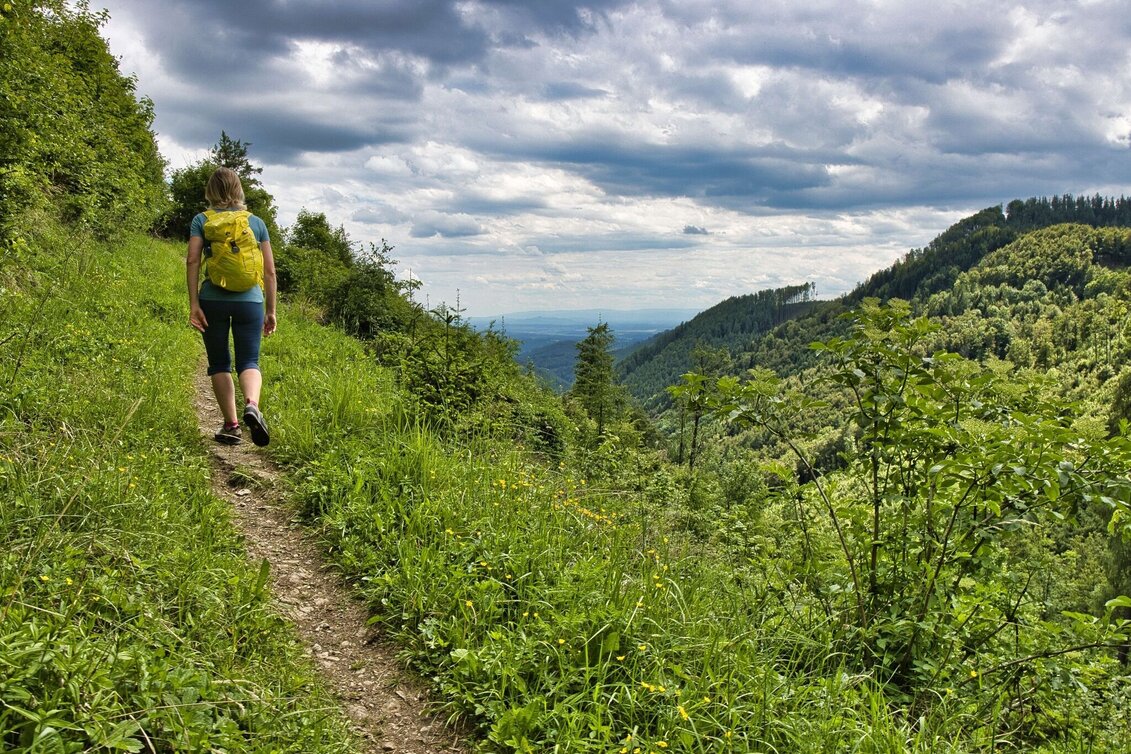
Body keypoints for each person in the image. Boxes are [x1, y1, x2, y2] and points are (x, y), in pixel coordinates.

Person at [186, 166, 277, 446]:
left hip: (212, 298)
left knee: (219, 363)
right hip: (250, 301)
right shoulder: (256, 223)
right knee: (249, 361)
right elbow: (270, 272)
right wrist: (270, 310)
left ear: (210, 191)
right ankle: (252, 404)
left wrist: (193, 304)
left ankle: (232, 425)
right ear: (239, 190)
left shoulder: (202, 220)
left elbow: (192, 261)